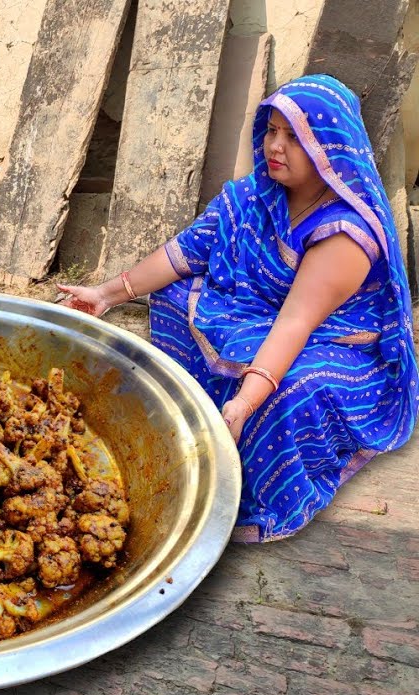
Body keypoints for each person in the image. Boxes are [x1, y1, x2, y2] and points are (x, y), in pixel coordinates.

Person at [57, 75, 418, 543]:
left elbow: (295, 322)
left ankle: (261, 486)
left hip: (331, 340)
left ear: (328, 146)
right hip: (263, 314)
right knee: (173, 296)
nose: (275, 146)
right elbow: (183, 253)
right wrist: (107, 294)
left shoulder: (344, 233)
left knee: (289, 388)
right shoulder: (252, 196)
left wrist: (246, 402)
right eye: (271, 131)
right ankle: (204, 411)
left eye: (295, 137)